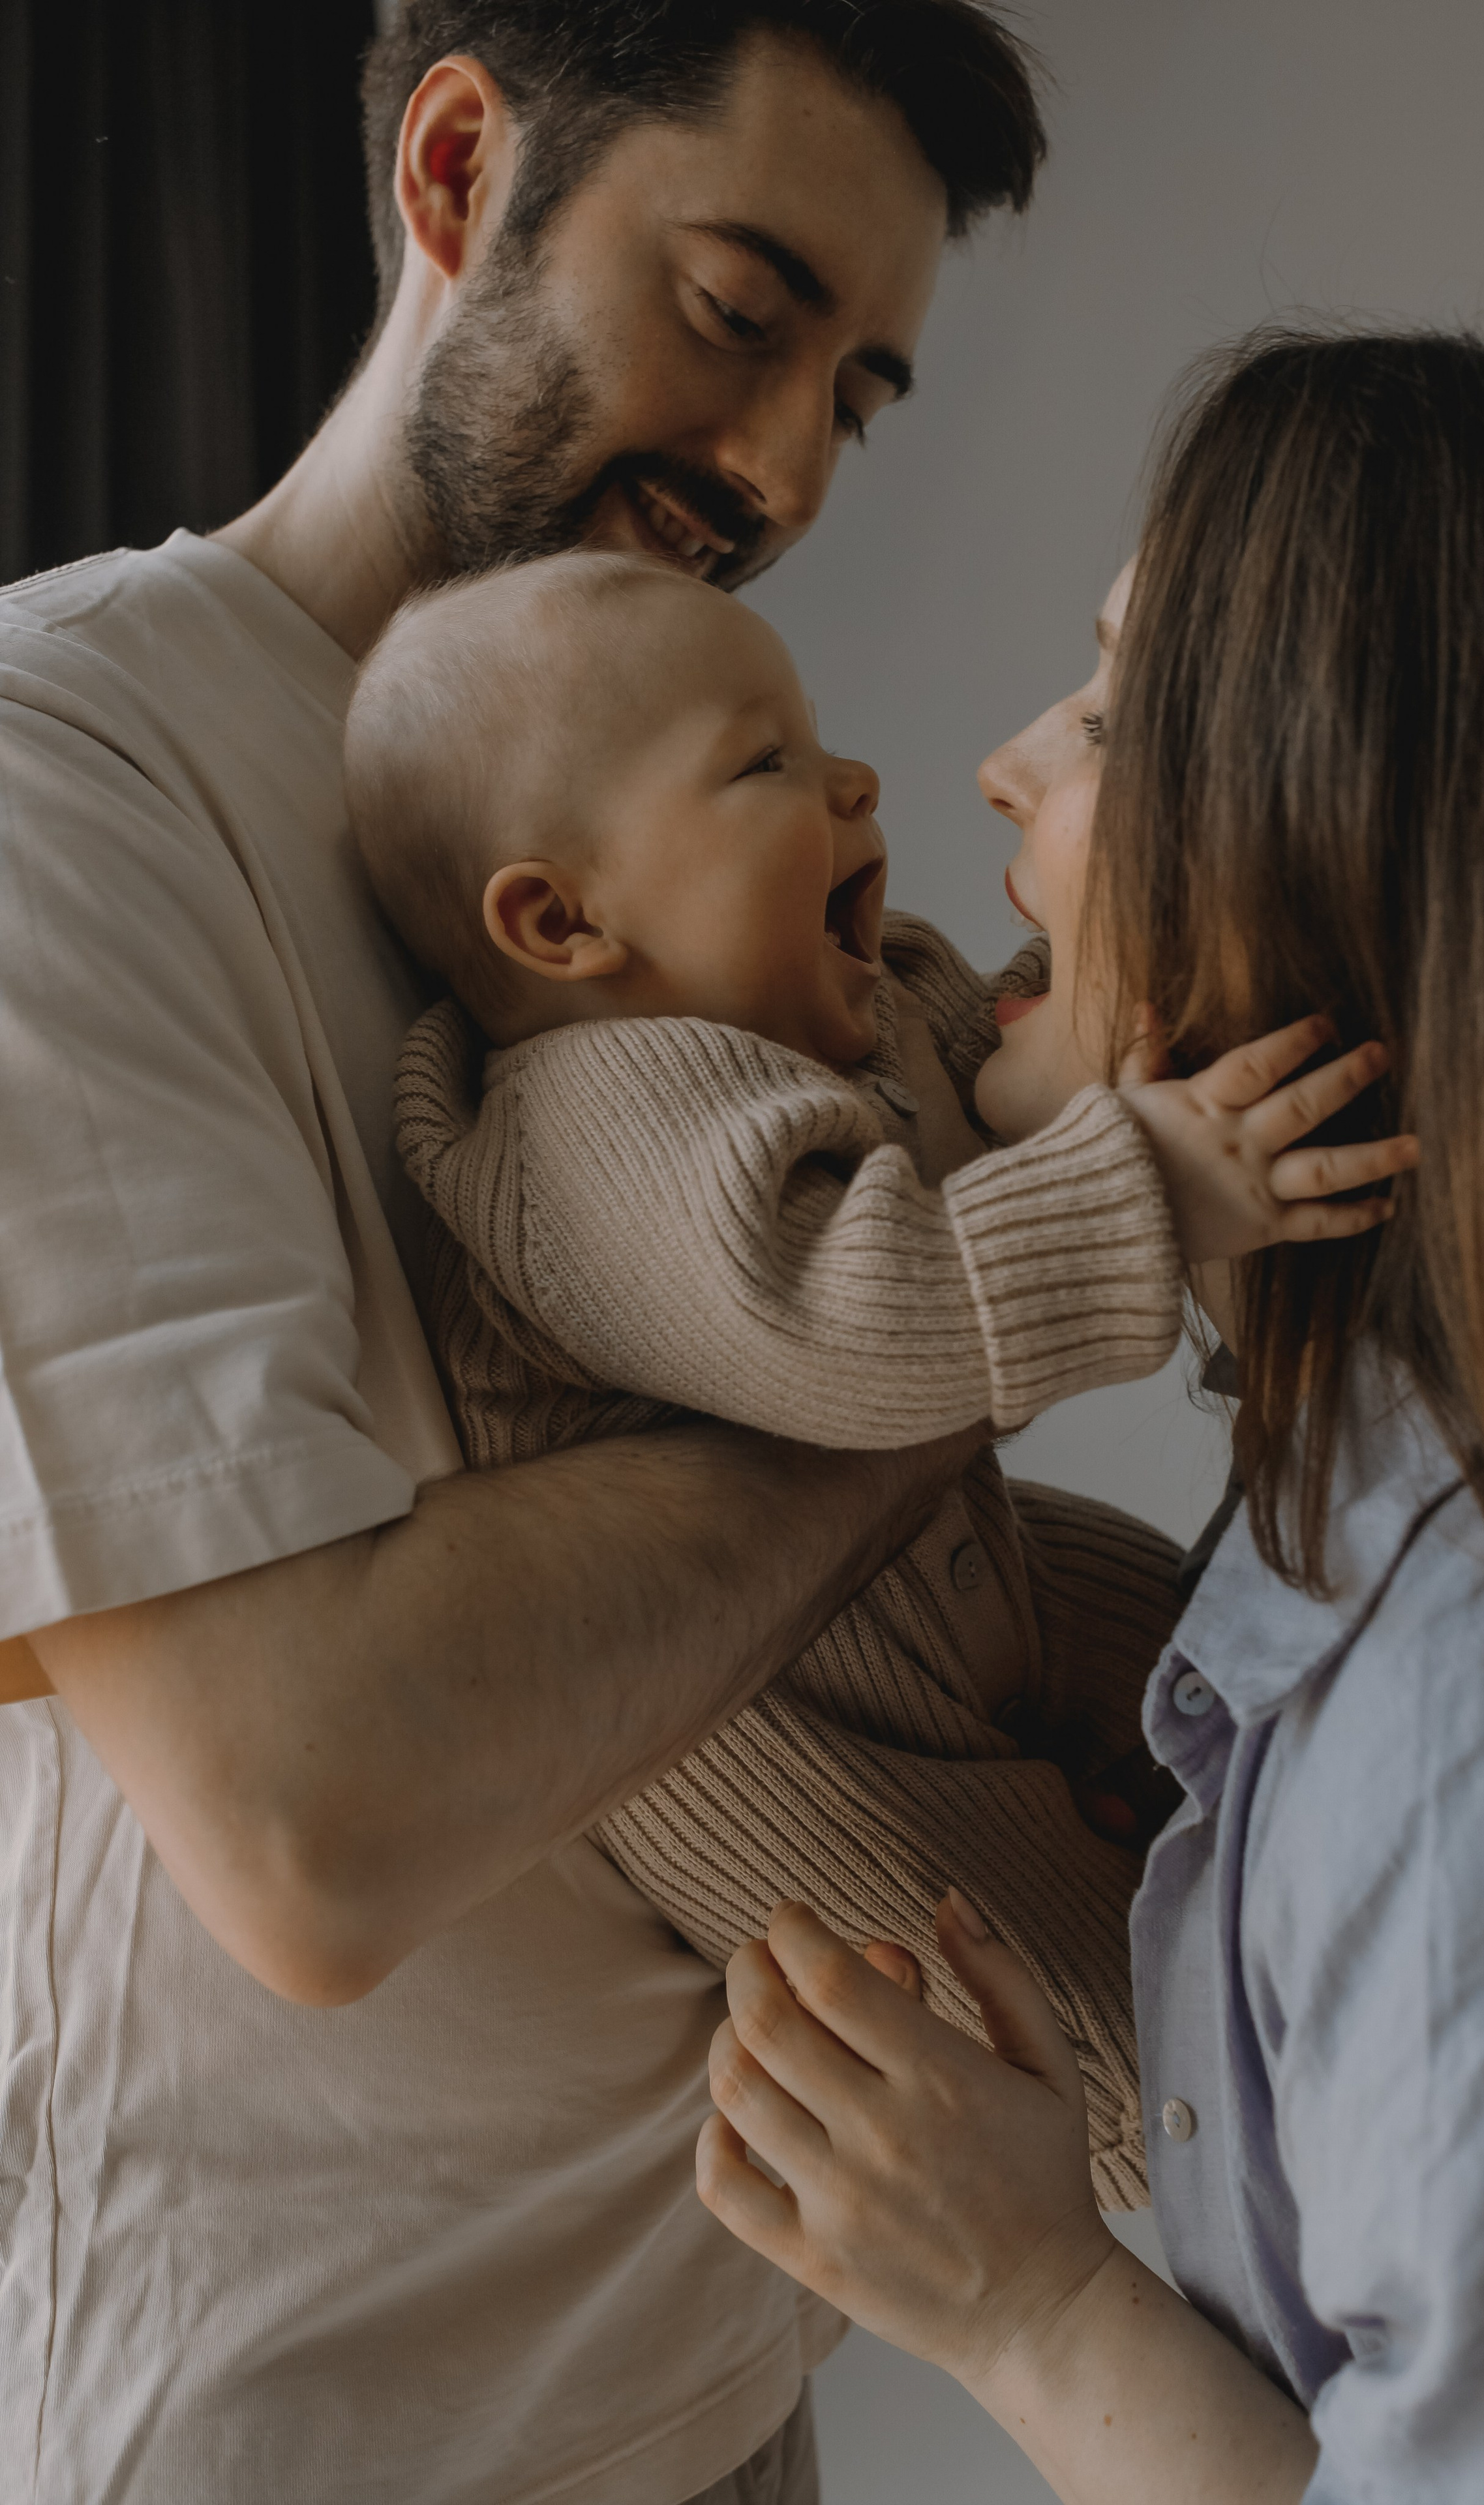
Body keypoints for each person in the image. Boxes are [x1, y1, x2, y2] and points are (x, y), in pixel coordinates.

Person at [0, 7, 1056, 2500]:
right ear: (460, 165)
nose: (788, 468)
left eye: (861, 392)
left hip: (718, 2405)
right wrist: (958, 1314)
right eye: (739, 309)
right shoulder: (70, 788)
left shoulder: (671, 790)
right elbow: (316, 1816)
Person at [693, 329, 1484, 2502]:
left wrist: (1031, 2305)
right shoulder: (1372, 1596)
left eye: (1125, 711)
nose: (1001, 769)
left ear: (1350, 849)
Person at [342, 550, 1412, 2206]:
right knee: (1024, 1987)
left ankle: (1345, 1848)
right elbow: (848, 1322)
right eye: (765, 766)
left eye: (819, 737)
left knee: (1227, 1652)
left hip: (954, 1571)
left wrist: (1070, 1050)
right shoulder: (591, 1121)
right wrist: (1145, 1184)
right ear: (563, 921)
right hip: (786, 1731)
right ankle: (1253, 2142)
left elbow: (980, 1067)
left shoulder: (833, 1002)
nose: (854, 779)